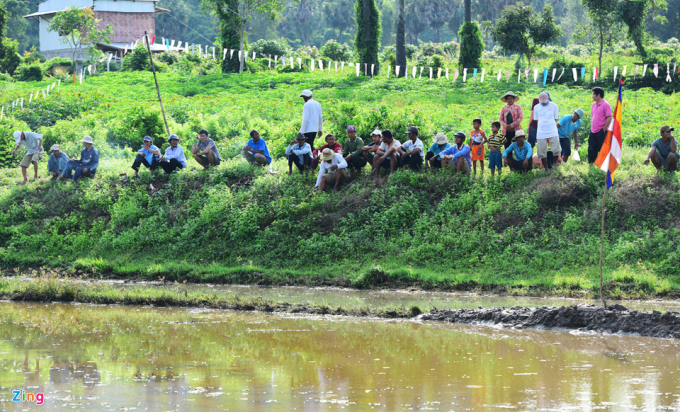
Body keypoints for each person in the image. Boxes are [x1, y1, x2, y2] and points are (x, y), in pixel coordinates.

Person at [533, 92, 561, 171]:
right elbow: (537, 119)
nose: (543, 103)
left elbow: (556, 118)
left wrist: (549, 124)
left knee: (556, 150)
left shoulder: (554, 106)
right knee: (542, 152)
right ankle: (546, 169)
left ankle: (554, 164)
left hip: (552, 131)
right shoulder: (536, 107)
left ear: (548, 99)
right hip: (541, 132)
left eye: (545, 101)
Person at [588, 87, 613, 164]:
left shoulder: (606, 104)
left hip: (601, 131)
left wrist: (604, 128)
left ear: (598, 95)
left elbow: (609, 117)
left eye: (593, 94)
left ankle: (602, 165)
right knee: (591, 148)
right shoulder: (594, 104)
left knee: (602, 148)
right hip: (593, 130)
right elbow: (593, 116)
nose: (592, 96)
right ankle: (591, 164)